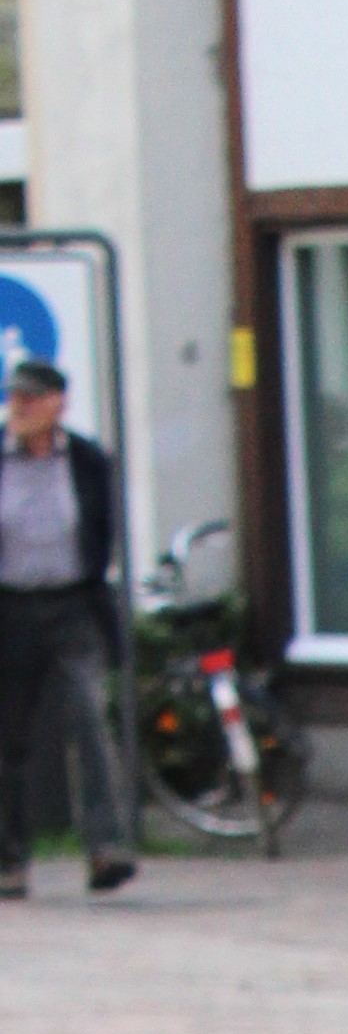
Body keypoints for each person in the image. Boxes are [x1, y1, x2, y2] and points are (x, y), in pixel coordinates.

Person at [0, 355, 134, 897]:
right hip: (8, 610)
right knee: (9, 739)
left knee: (89, 721)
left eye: (31, 398)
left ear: (59, 403)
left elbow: (102, 531)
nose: (20, 407)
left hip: (73, 607)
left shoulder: (86, 460)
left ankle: (105, 848)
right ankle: (10, 860)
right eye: (14, 398)